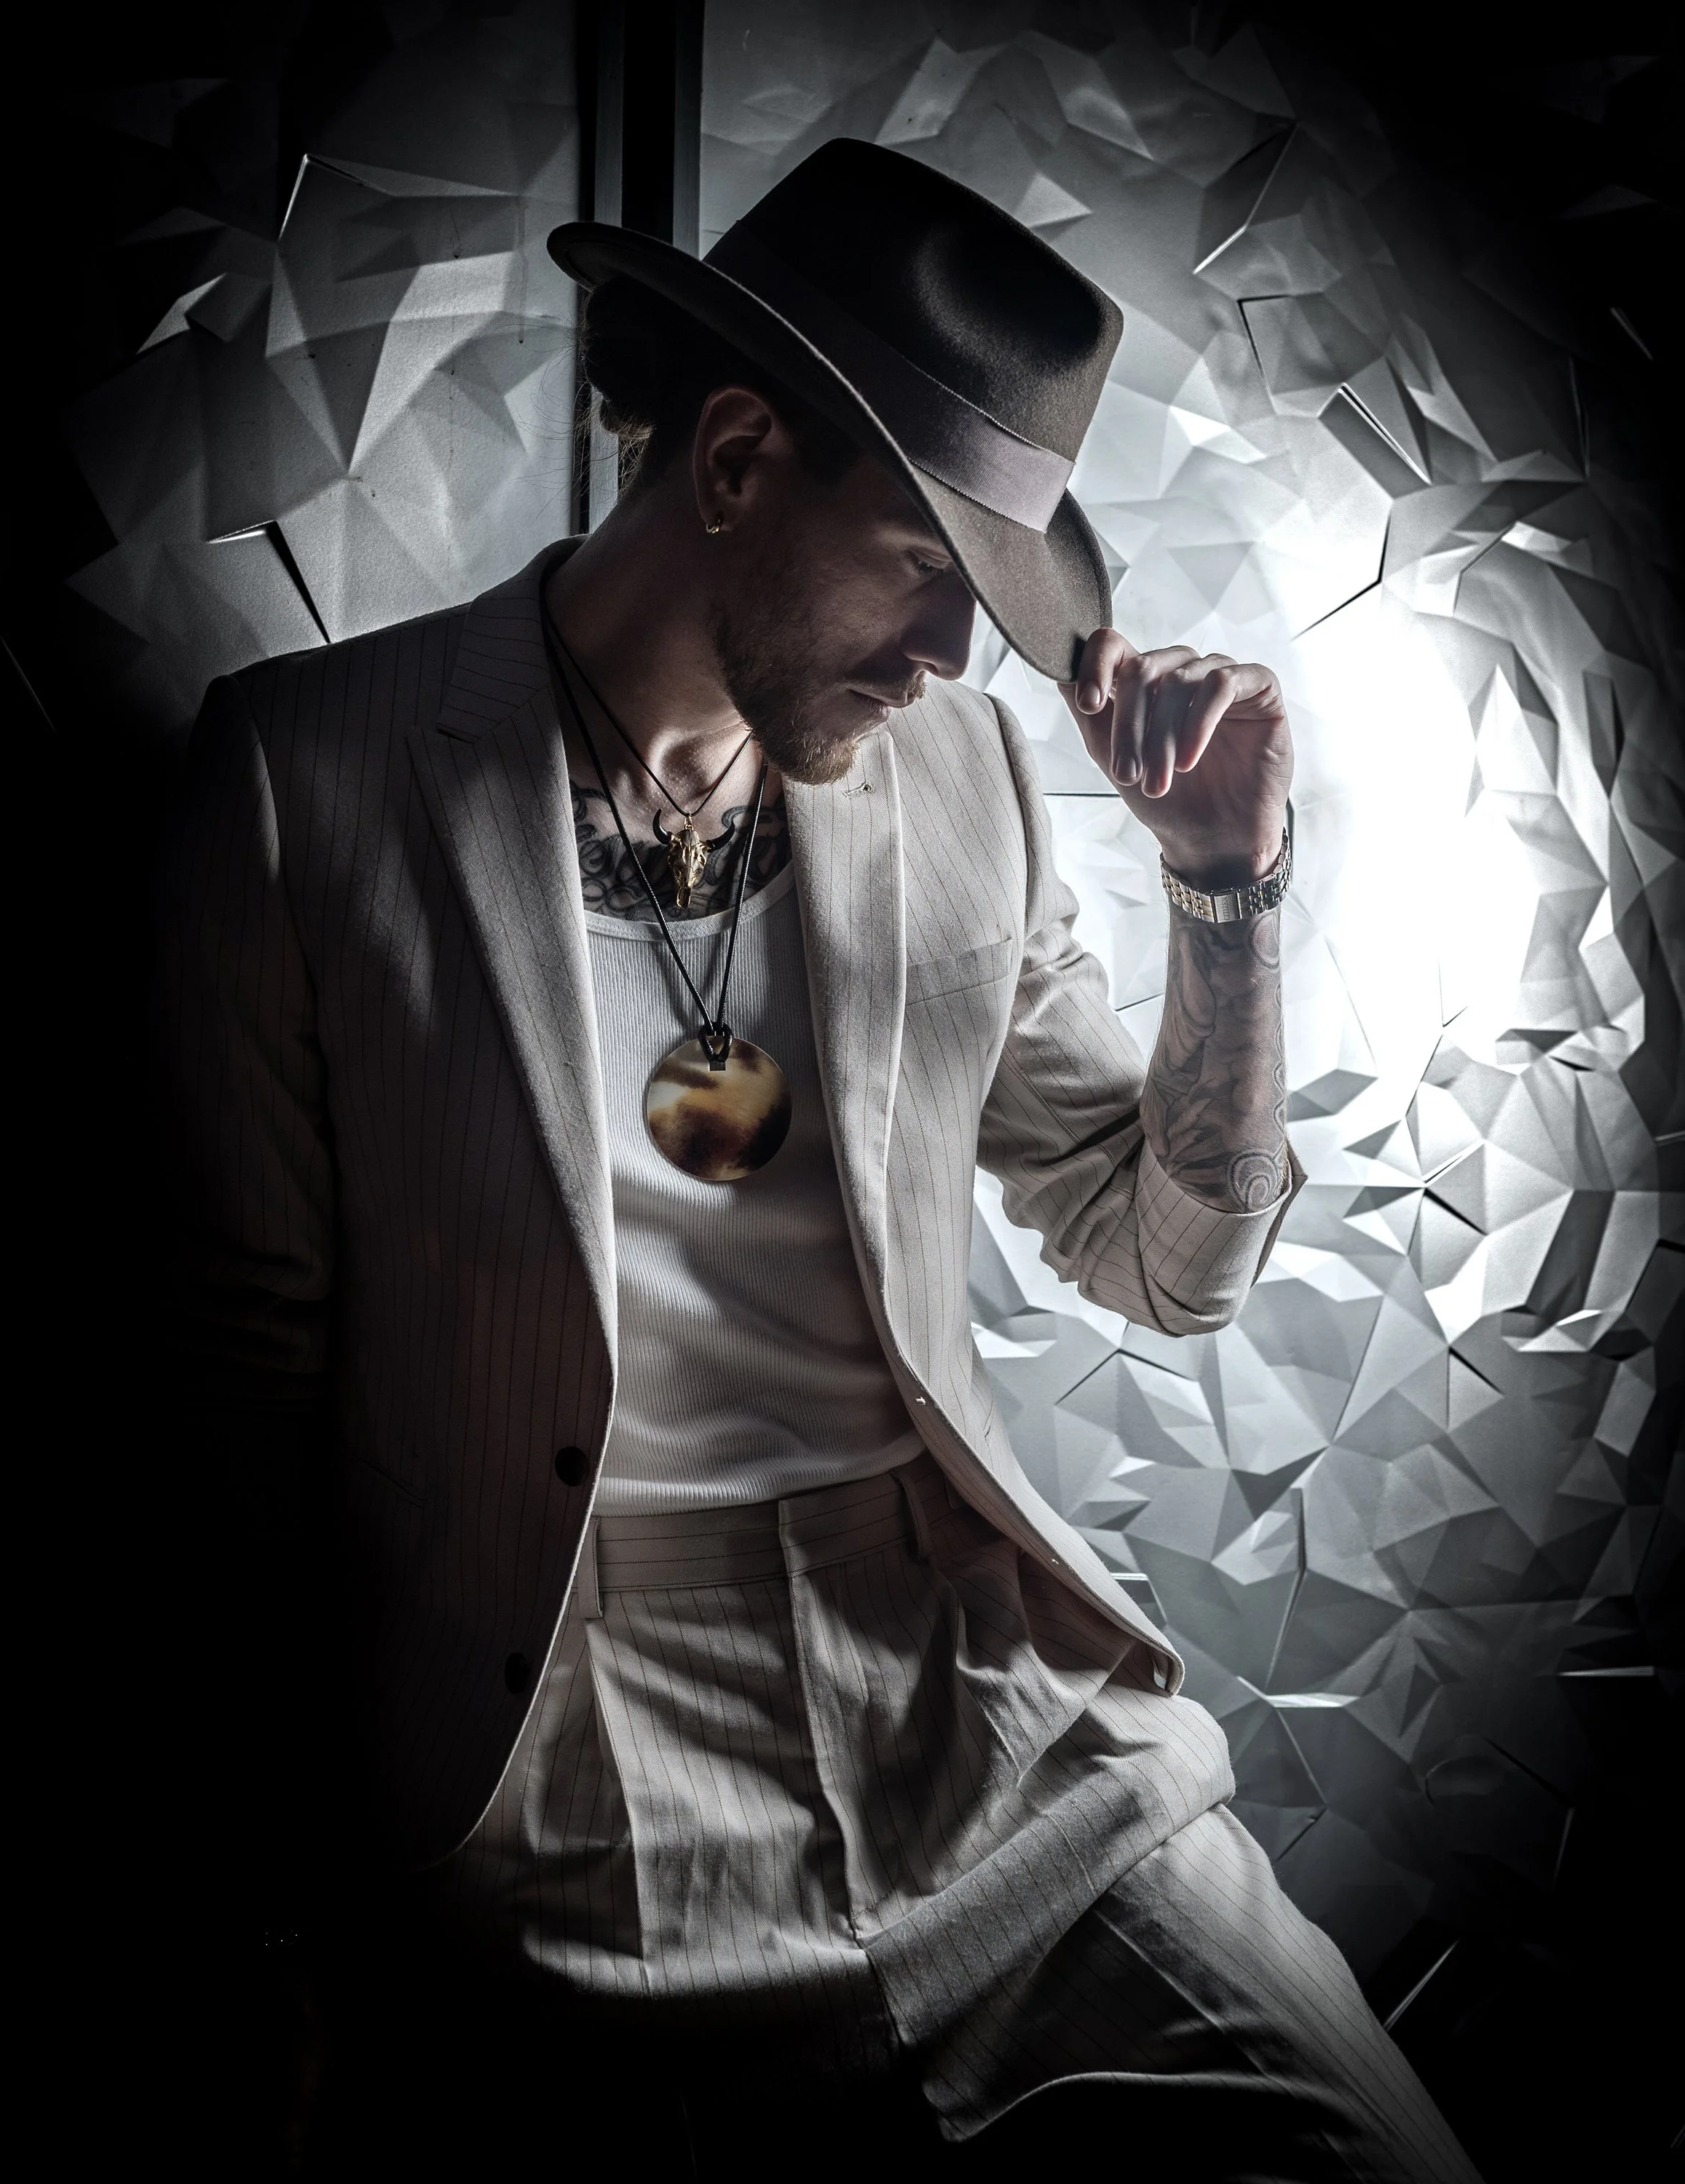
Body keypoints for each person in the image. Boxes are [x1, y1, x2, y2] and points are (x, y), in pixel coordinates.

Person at [159, 138, 1477, 2180]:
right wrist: (250, 1923)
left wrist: (1226, 901)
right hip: (562, 1759)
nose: (958, 660)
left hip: (988, 1710)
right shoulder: (297, 786)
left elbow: (1163, 1265)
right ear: (739, 455)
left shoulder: (953, 781)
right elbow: (231, 1410)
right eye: (931, 574)